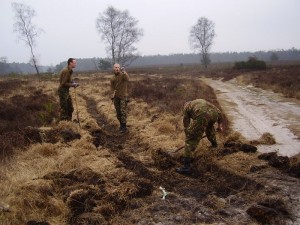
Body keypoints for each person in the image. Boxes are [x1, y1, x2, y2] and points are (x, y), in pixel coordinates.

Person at [176, 99, 224, 174]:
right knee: (209, 129)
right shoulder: (199, 101)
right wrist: (220, 125)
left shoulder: (186, 107)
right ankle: (215, 146)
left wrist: (188, 134)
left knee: (190, 141)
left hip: (202, 115)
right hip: (214, 114)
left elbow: (186, 121)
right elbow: (219, 112)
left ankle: (186, 167)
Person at [110, 63, 130, 132]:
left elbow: (127, 79)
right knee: (118, 113)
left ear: (120, 68)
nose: (117, 69)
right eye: (115, 67)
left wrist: (124, 72)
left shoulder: (123, 75)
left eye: (118, 67)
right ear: (113, 68)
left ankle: (124, 127)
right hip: (116, 97)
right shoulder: (112, 78)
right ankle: (121, 125)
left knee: (122, 111)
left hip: (123, 97)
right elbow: (112, 88)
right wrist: (112, 95)